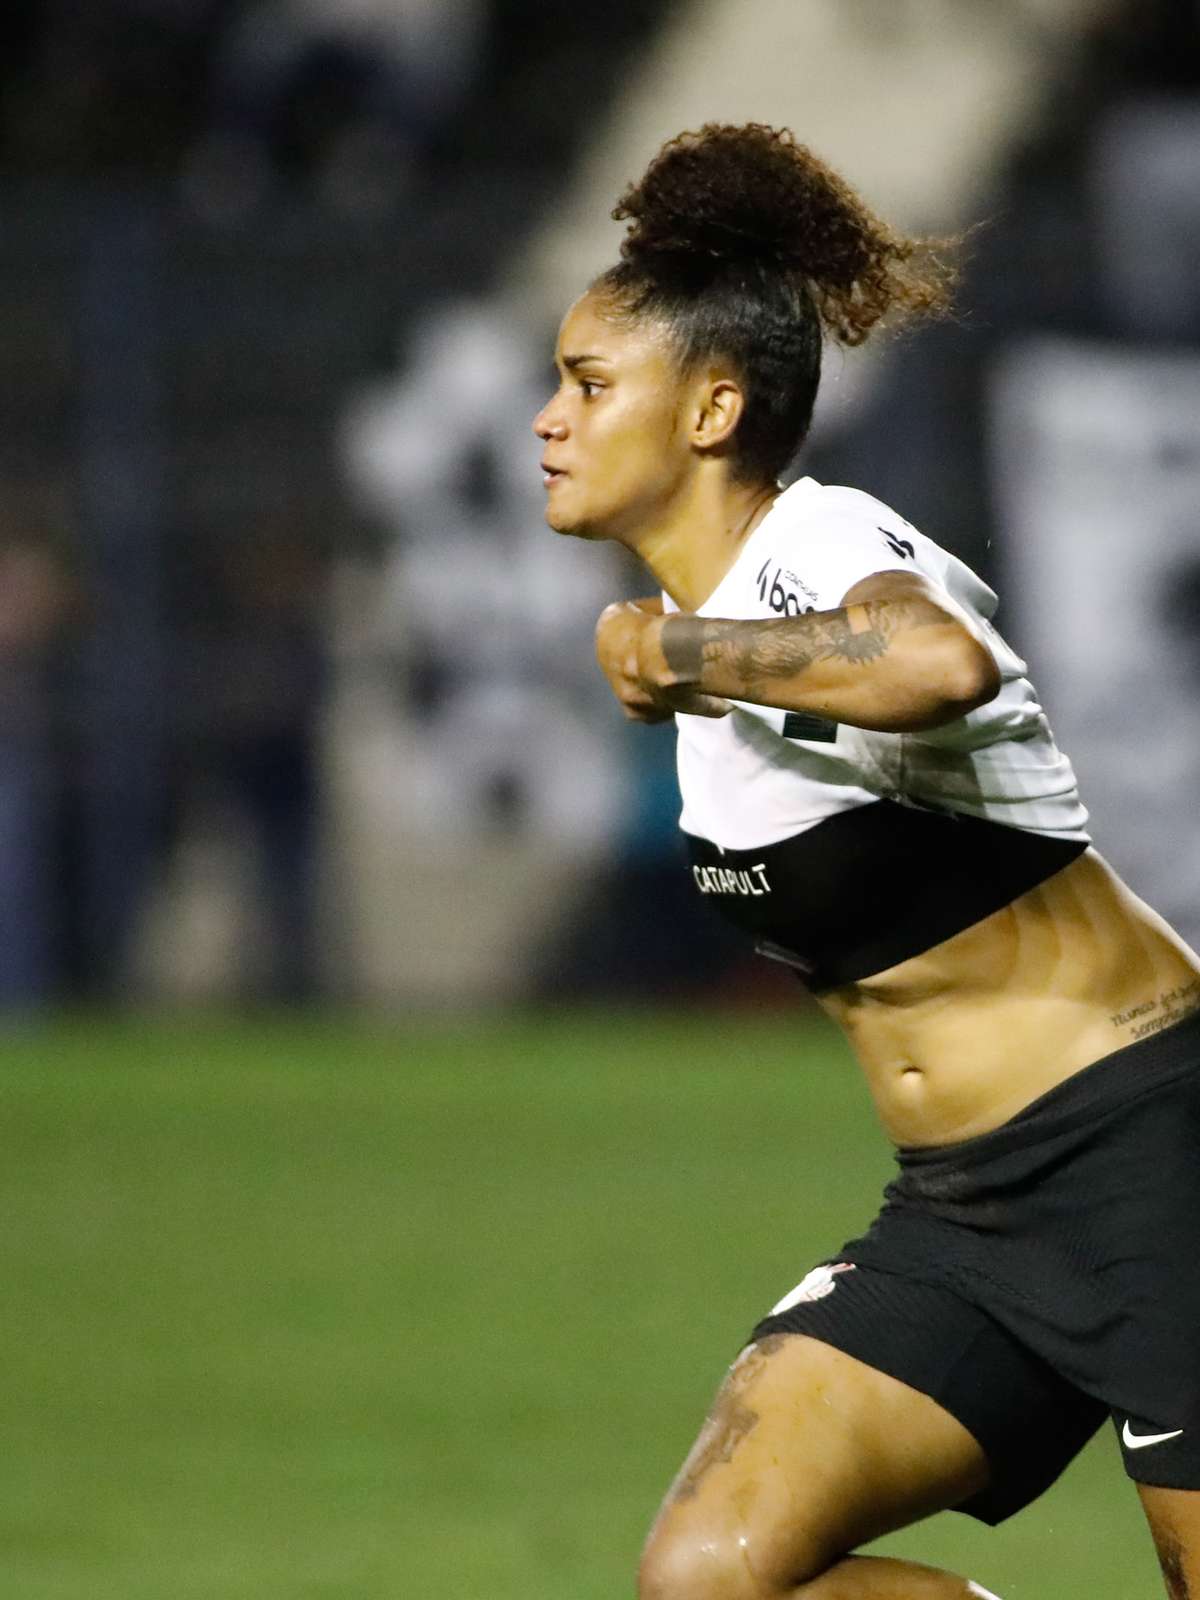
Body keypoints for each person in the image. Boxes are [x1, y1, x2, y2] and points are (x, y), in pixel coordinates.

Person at [532, 123, 1200, 1600]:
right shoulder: (702, 639)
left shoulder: (817, 547)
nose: (548, 420)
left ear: (711, 409)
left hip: (1156, 1156)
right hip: (968, 1211)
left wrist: (693, 652)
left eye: (587, 384)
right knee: (713, 1577)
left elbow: (936, 661)